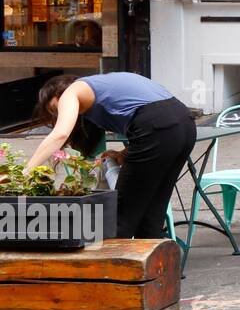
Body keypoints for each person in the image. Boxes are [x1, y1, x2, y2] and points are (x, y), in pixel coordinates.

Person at [27, 72, 197, 239]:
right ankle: (157, 265)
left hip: (159, 127)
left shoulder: (71, 92)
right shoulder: (101, 85)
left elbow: (60, 134)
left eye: (53, 109)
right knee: (150, 218)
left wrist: (26, 171)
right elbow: (153, 114)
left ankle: (112, 265)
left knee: (119, 218)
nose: (57, 114)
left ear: (57, 94)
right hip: (185, 124)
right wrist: (126, 152)